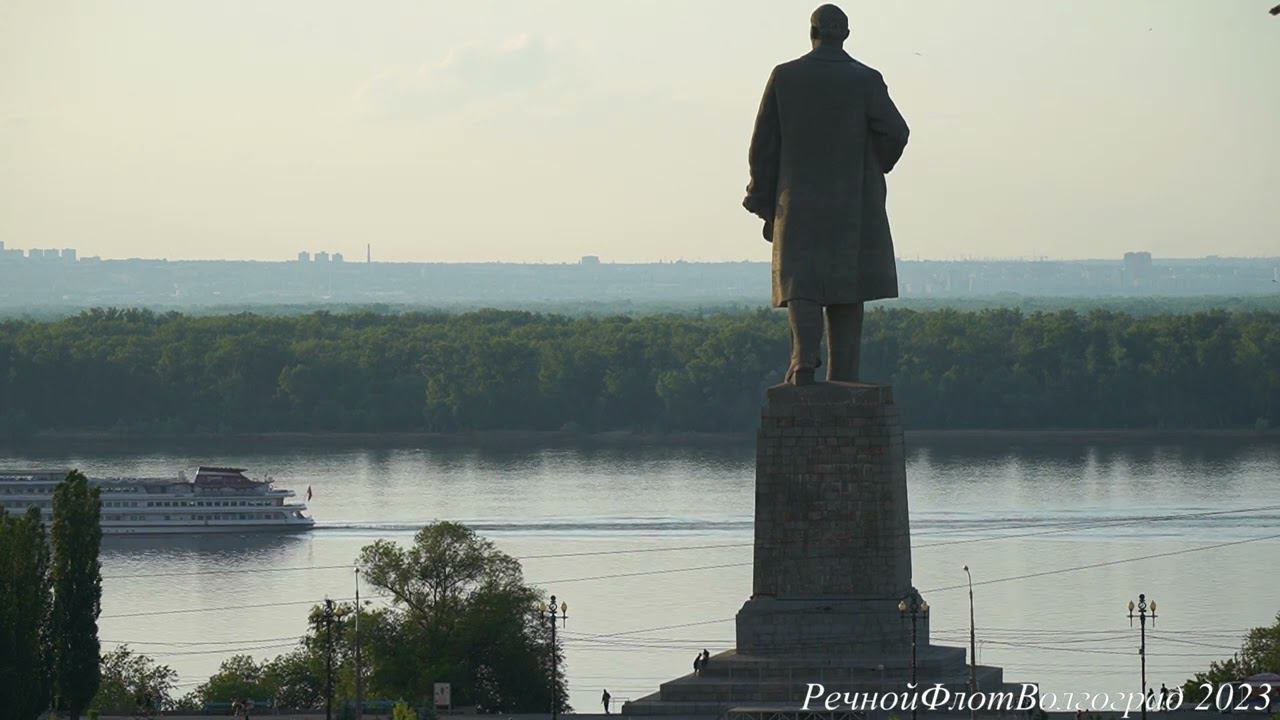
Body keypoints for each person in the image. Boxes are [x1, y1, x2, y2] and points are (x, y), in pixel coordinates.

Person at [743, 3, 909, 385]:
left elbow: (763, 146)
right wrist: (872, 166)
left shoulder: (785, 77)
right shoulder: (865, 79)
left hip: (796, 199)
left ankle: (803, 360)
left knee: (801, 281)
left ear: (811, 32)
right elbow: (896, 132)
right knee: (848, 287)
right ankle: (844, 375)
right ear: (845, 34)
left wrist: (765, 200)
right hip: (854, 202)